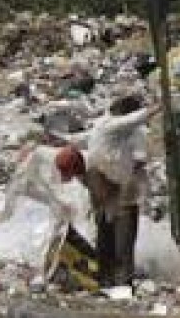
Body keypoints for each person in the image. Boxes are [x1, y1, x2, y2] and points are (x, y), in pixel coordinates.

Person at [54, 96, 158, 286]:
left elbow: (136, 126)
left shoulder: (114, 128)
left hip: (120, 191)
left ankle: (118, 282)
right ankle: (111, 281)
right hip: (111, 193)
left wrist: (157, 107)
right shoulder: (109, 128)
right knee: (111, 242)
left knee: (118, 241)